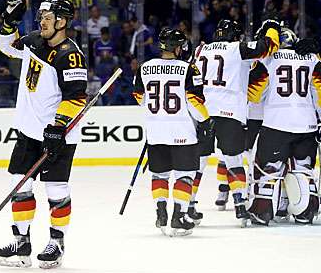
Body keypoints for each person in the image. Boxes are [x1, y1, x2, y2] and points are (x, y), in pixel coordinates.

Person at [0, 0, 87, 269]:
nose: (42, 22)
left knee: (56, 189)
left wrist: (58, 128)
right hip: (28, 131)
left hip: (58, 135)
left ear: (62, 21)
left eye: (48, 18)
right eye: (41, 17)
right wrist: (10, 22)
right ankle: (21, 244)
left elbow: (76, 97)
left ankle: (56, 243)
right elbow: (6, 47)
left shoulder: (70, 55)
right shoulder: (34, 41)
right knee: (18, 184)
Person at [192, 19, 280, 225]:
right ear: (234, 36)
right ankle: (240, 207)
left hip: (203, 112)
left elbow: (191, 79)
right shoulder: (237, 48)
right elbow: (267, 48)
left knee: (198, 161)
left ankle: (189, 205)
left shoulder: (200, 50)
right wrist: (272, 28)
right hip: (229, 112)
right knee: (234, 160)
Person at [133, 28, 213, 237]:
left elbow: (139, 96)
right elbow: (194, 101)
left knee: (159, 174)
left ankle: (161, 213)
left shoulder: (145, 67)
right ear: (177, 48)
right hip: (182, 131)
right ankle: (179, 216)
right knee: (185, 174)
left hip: (155, 131)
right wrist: (206, 121)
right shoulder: (188, 69)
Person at [247, 27, 321, 226]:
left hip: (276, 124)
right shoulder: (312, 58)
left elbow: (254, 95)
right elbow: (319, 93)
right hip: (307, 124)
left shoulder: (268, 59)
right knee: (303, 169)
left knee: (268, 170)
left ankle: (262, 211)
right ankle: (307, 210)